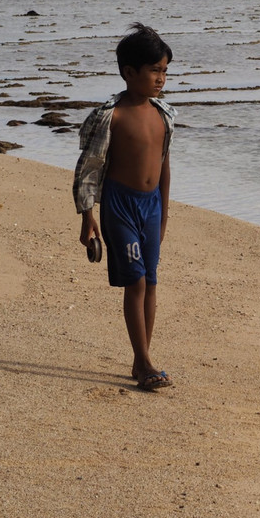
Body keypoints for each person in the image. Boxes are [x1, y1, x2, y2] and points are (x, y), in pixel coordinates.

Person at [73, 23, 176, 391]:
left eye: (164, 70)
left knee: (150, 284)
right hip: (120, 206)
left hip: (151, 208)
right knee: (135, 282)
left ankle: (140, 359)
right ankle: (146, 362)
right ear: (129, 72)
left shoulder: (164, 115)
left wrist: (163, 215)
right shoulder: (110, 116)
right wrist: (88, 216)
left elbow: (164, 165)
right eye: (154, 71)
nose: (161, 78)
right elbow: (88, 168)